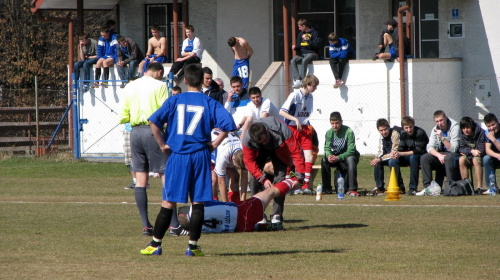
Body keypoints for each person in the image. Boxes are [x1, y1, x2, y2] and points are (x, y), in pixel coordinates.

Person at [141, 64, 236, 257]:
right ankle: (192, 246)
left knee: (168, 202)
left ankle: (155, 244)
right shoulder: (209, 102)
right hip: (200, 156)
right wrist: (215, 143)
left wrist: (162, 144)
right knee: (198, 203)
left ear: (184, 80)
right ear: (202, 80)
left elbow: (153, 121)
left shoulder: (175, 100)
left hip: (178, 156)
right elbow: (228, 124)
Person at [118, 63, 181, 236]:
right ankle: (174, 225)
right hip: (153, 131)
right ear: (159, 72)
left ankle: (146, 225)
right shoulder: (160, 85)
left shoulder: (130, 86)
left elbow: (123, 115)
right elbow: (164, 111)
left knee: (140, 179)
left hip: (135, 132)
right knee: (166, 175)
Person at [241, 117, 305, 230]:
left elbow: (297, 153)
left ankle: (277, 216)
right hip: (259, 153)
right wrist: (262, 178)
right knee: (254, 181)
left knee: (280, 181)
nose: (265, 142)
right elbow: (249, 162)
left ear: (266, 130)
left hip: (279, 150)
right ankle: (258, 215)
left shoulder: (282, 129)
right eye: (262, 142)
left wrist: (298, 177)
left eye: (266, 140)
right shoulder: (247, 139)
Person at [177, 177, 300, 234]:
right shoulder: (197, 207)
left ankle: (264, 226)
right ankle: (296, 181)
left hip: (240, 228)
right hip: (243, 211)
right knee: (270, 192)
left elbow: (179, 230)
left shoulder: (196, 230)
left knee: (253, 225)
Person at [279, 75, 319, 193]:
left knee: (309, 156)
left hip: (305, 128)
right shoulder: (294, 95)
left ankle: (305, 185)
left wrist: (304, 123)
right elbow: (282, 112)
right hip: (292, 128)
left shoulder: (310, 97)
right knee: (290, 158)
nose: (315, 88)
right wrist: (295, 120)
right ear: (308, 84)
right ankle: (289, 181)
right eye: (314, 86)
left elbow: (306, 114)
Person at [418, 110, 460, 194]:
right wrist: (438, 155)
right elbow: (429, 147)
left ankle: (450, 186)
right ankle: (428, 188)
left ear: (446, 118)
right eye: (437, 121)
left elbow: (454, 149)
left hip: (453, 154)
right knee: (424, 158)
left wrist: (442, 137)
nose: (439, 123)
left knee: (448, 157)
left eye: (441, 120)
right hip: (441, 154)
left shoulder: (455, 127)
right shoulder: (435, 129)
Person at [321, 111, 360, 196]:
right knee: (324, 160)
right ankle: (327, 188)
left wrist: (339, 157)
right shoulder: (329, 133)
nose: (335, 126)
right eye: (332, 123)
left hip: (347, 157)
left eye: (337, 123)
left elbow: (351, 150)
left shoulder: (348, 131)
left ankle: (352, 189)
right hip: (337, 158)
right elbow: (327, 148)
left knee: (350, 159)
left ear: (341, 121)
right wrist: (329, 156)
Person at [393, 116, 429, 196]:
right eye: (406, 128)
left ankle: (413, 188)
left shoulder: (420, 132)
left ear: (413, 125)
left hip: (421, 156)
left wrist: (401, 154)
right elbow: (401, 148)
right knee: (393, 161)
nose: (409, 130)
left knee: (413, 158)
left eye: (410, 127)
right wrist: (396, 153)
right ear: (403, 127)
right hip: (409, 155)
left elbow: (418, 150)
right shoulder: (402, 133)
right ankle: (399, 187)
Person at [369, 118, 405, 195]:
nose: (384, 132)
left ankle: (400, 187)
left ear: (388, 127)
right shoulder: (381, 136)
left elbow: (394, 152)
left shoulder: (394, 134)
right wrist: (376, 158)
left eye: (385, 129)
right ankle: (379, 187)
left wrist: (380, 159)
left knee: (392, 161)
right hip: (389, 156)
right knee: (377, 163)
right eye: (381, 130)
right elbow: (380, 150)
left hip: (400, 155)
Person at [211, 129, 248, 202]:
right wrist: (226, 205)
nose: (238, 168)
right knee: (214, 180)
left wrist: (243, 201)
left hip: (229, 148)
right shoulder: (223, 156)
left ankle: (235, 203)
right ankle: (214, 202)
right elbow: (221, 182)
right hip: (213, 151)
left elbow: (244, 178)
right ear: (233, 158)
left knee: (235, 176)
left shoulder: (245, 154)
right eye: (237, 166)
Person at [290, 19, 321, 88]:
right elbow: (299, 46)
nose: (299, 28)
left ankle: (302, 80)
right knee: (293, 61)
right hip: (303, 53)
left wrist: (307, 39)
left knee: (304, 60)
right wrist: (295, 47)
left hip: (312, 53)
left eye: (300, 27)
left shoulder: (314, 33)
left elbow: (315, 46)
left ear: (304, 26)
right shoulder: (301, 34)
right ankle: (297, 79)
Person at [458, 117, 485, 193]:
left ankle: (479, 188)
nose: (465, 130)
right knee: (461, 159)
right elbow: (461, 148)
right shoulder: (462, 135)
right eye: (463, 128)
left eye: (467, 127)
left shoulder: (481, 133)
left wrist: (468, 152)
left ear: (472, 126)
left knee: (475, 160)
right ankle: (466, 187)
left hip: (481, 156)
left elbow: (481, 150)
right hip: (471, 154)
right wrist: (471, 151)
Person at [483, 113, 500, 194]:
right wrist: (497, 155)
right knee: (486, 158)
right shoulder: (487, 132)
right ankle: (492, 187)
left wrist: (493, 140)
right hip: (497, 156)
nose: (491, 128)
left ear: (497, 121)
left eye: (493, 124)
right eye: (489, 126)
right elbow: (487, 150)